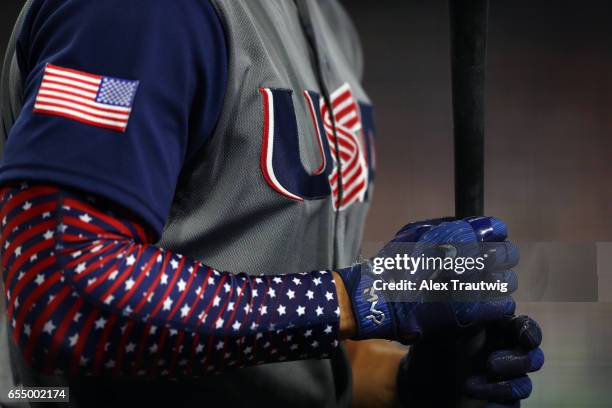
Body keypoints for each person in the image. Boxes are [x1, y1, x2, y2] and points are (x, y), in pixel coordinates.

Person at [0, 1, 543, 407]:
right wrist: (363, 297)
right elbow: (60, 294)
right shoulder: (137, 13)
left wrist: (401, 382)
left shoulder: (326, 21)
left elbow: (286, 341)